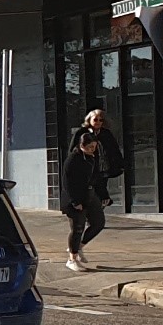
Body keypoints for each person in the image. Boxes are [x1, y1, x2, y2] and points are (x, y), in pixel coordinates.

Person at [60, 132, 110, 273]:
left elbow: (98, 178)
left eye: (94, 147)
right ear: (81, 145)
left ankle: (79, 247)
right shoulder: (73, 159)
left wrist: (104, 195)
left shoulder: (93, 157)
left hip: (90, 194)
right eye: (89, 147)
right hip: (75, 197)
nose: (92, 150)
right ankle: (72, 259)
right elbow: (67, 183)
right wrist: (75, 201)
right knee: (77, 228)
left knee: (98, 222)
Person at [71, 108, 124, 204]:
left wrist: (120, 164)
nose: (98, 122)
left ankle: (98, 209)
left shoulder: (106, 133)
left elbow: (114, 149)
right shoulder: (81, 133)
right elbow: (73, 151)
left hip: (103, 168)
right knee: (91, 190)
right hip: (88, 167)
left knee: (101, 190)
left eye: (101, 120)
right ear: (89, 120)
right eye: (95, 119)